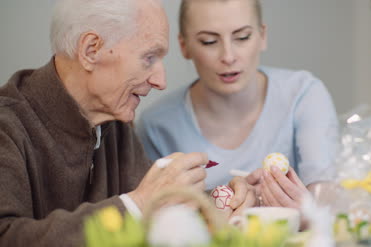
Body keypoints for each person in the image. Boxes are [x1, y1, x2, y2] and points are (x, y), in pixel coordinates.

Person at [0, 0, 255, 246]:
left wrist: (221, 202)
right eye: (149, 58)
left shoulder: (114, 122)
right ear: (91, 50)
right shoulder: (7, 124)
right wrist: (138, 205)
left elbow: (159, 203)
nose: (160, 81)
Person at [136, 0, 339, 201]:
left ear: (262, 36)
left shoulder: (303, 95)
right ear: (184, 46)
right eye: (209, 41)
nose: (228, 56)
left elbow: (326, 197)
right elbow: (156, 215)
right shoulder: (156, 126)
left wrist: (305, 215)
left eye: (242, 37)